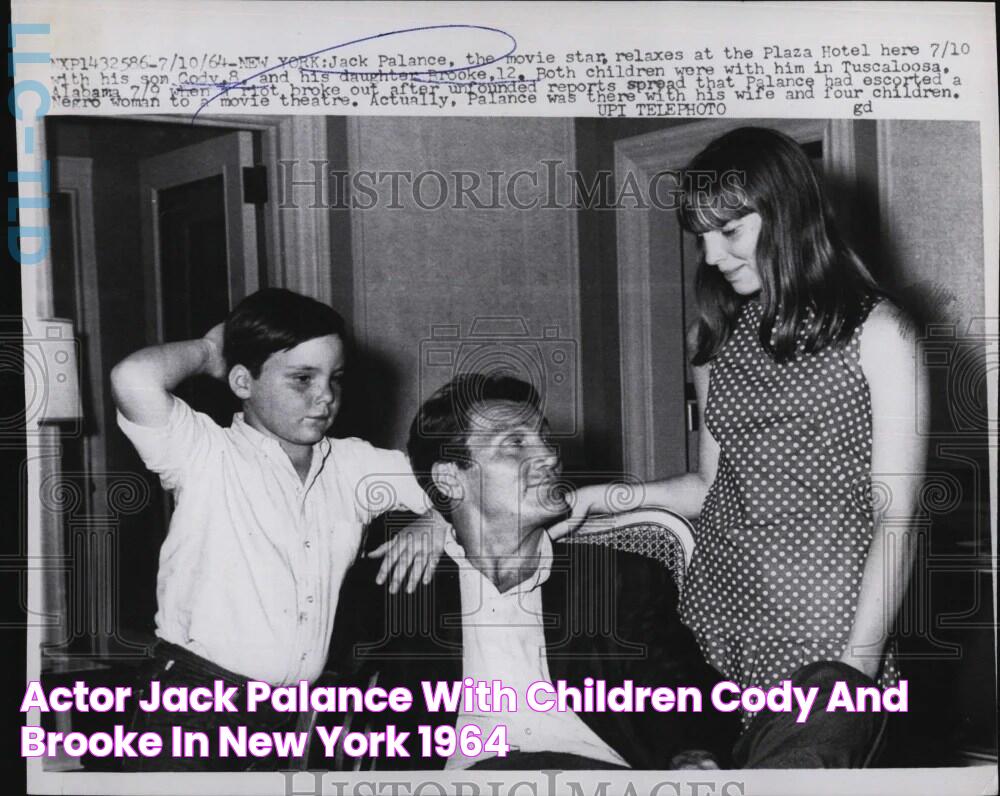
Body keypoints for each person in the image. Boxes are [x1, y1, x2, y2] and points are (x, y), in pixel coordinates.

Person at [555, 127, 929, 767]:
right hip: (717, 611)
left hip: (829, 620)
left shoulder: (881, 331)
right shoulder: (719, 338)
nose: (712, 255)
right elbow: (708, 487)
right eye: (701, 237)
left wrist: (857, 667)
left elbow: (897, 514)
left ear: (787, 213)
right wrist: (593, 497)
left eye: (730, 231)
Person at [111, 287, 446, 771]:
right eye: (302, 379)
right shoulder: (205, 453)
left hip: (287, 717)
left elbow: (458, 484)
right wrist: (211, 352)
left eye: (335, 378)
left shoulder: (354, 465)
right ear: (243, 381)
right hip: (191, 706)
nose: (324, 396)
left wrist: (436, 520)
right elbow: (132, 378)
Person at [332, 373, 739, 771]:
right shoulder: (398, 582)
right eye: (514, 444)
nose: (548, 455)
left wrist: (691, 750)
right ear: (450, 479)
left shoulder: (618, 580)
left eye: (544, 439)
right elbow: (336, 694)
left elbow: (688, 691)